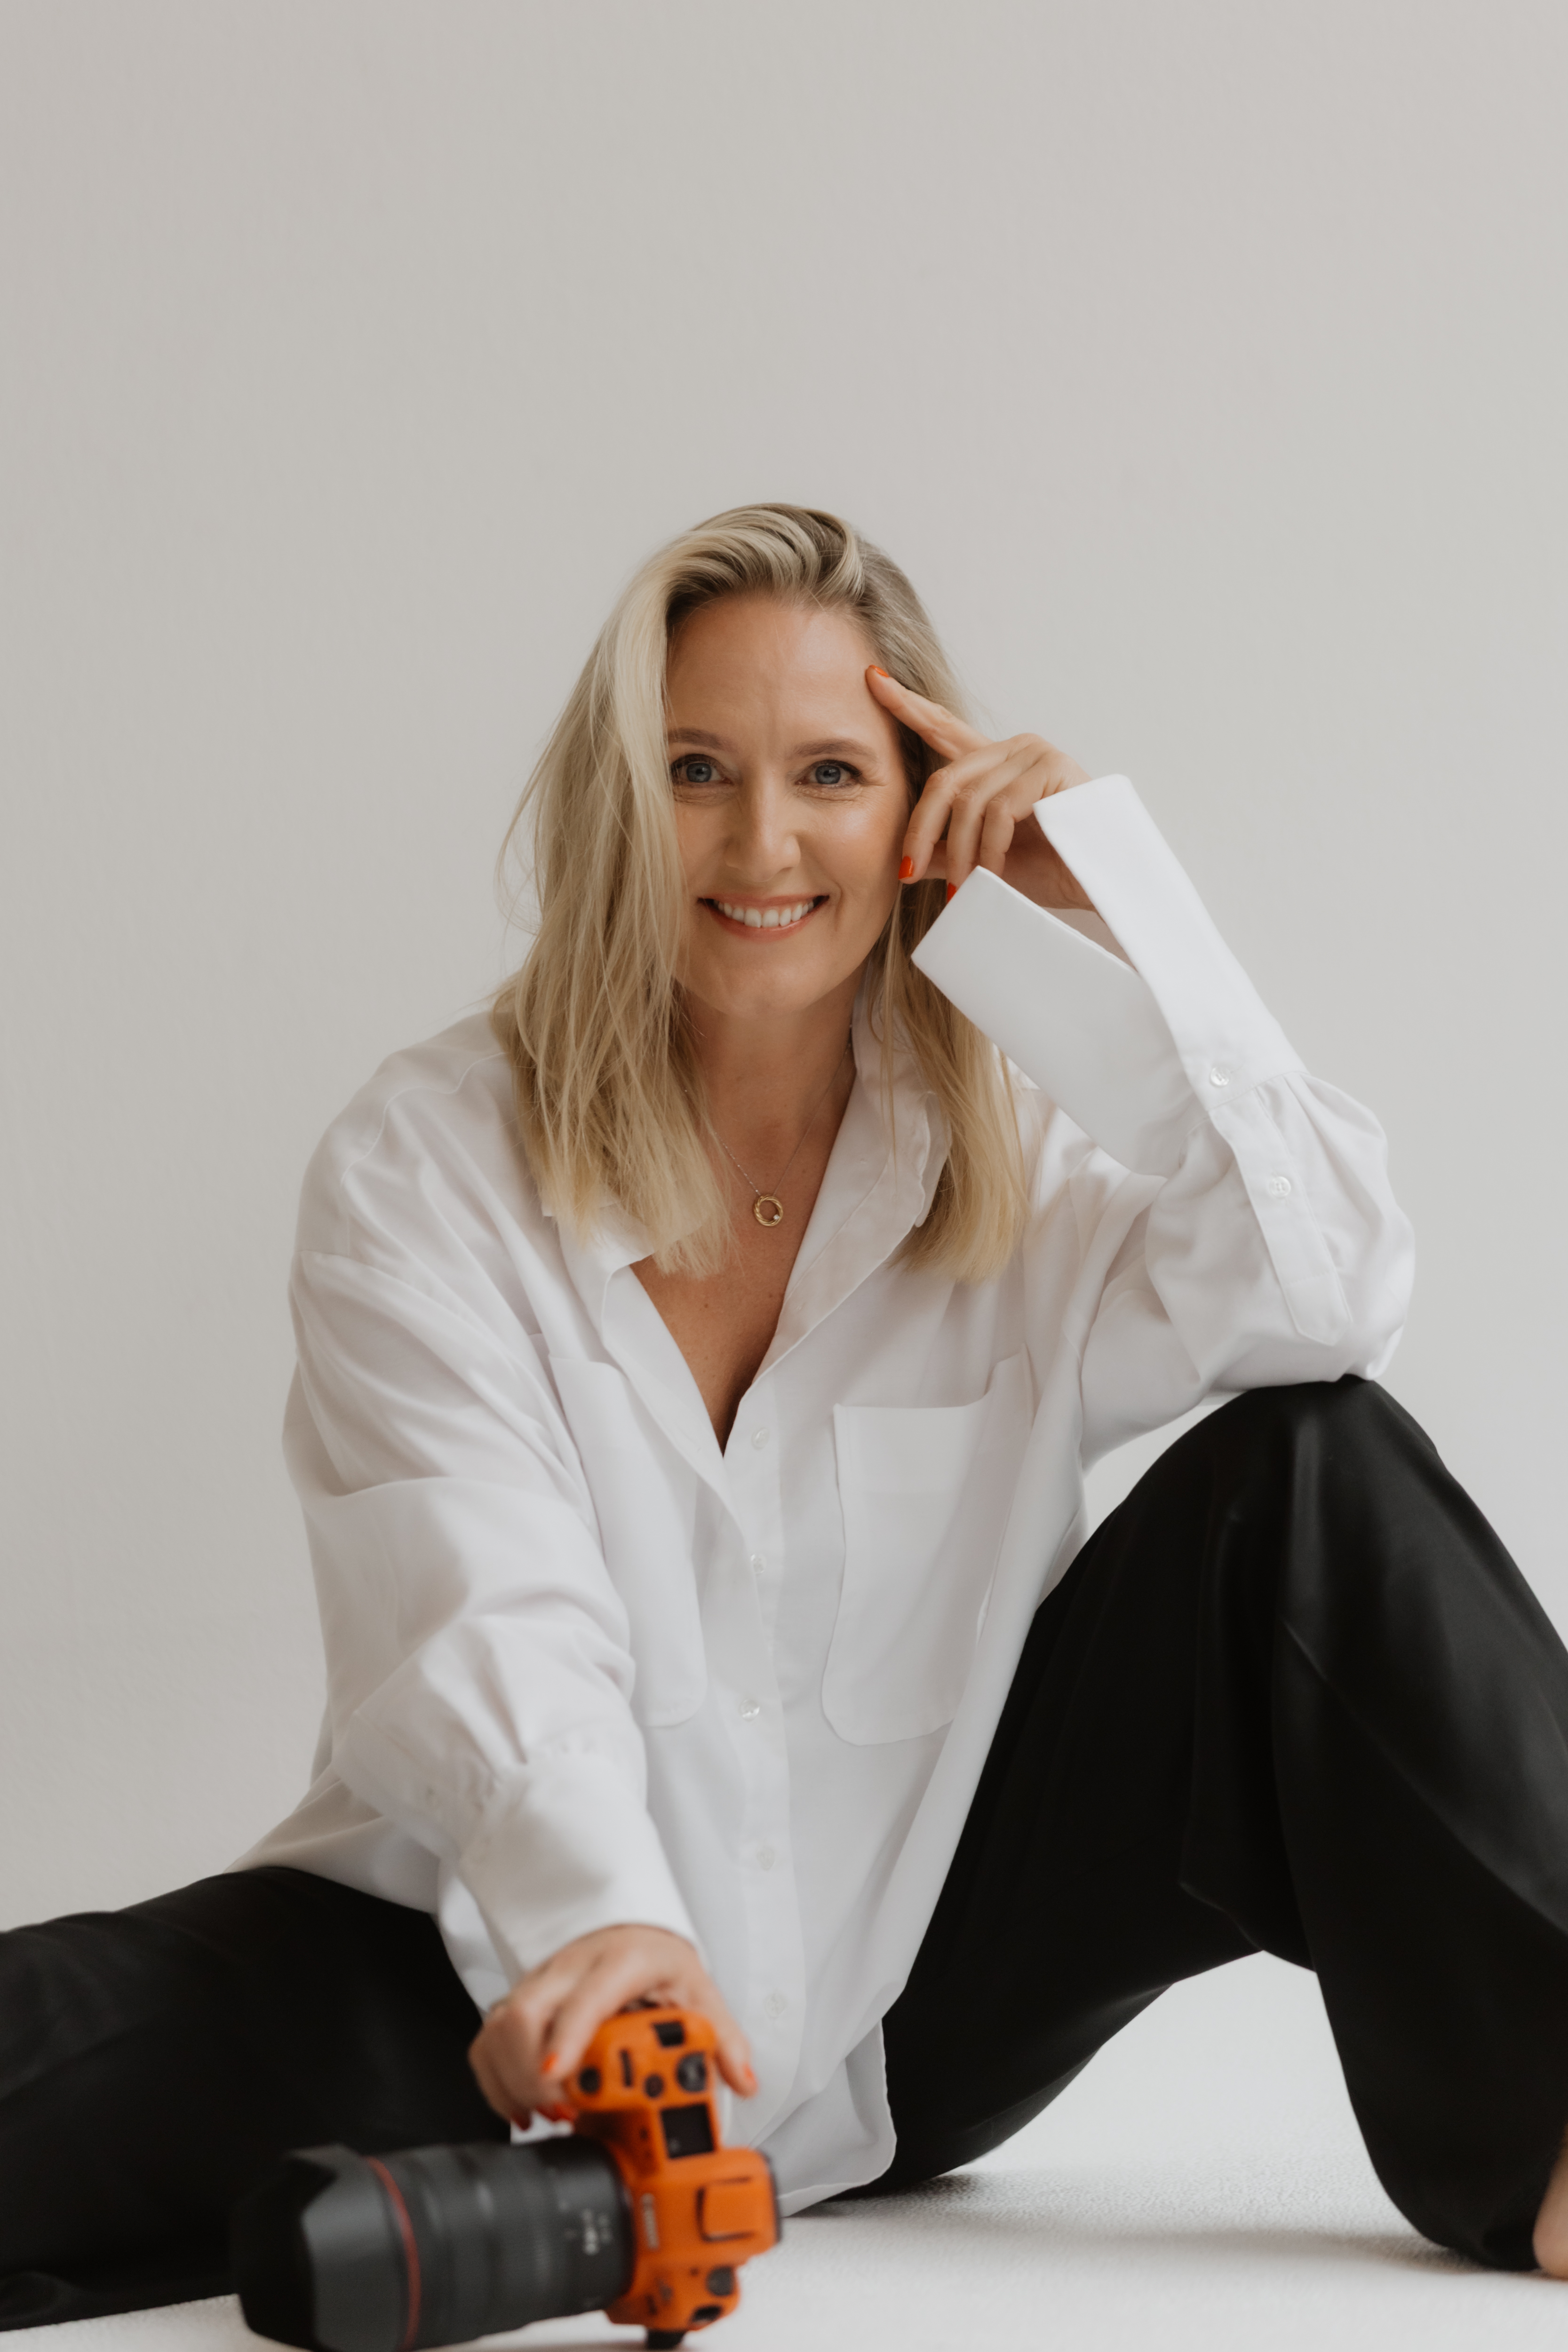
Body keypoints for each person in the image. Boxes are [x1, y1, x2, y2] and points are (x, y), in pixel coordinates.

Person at [6, 503, 1568, 2329]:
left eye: (830, 771)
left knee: (1312, 1471)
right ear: (618, 801)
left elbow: (1332, 1291)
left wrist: (1115, 914)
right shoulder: (428, 1164)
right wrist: (605, 1922)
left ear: (919, 812)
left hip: (905, 2002)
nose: (762, 841)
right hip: (499, 1970)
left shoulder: (1020, 1158)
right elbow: (477, 1600)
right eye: (696, 770)